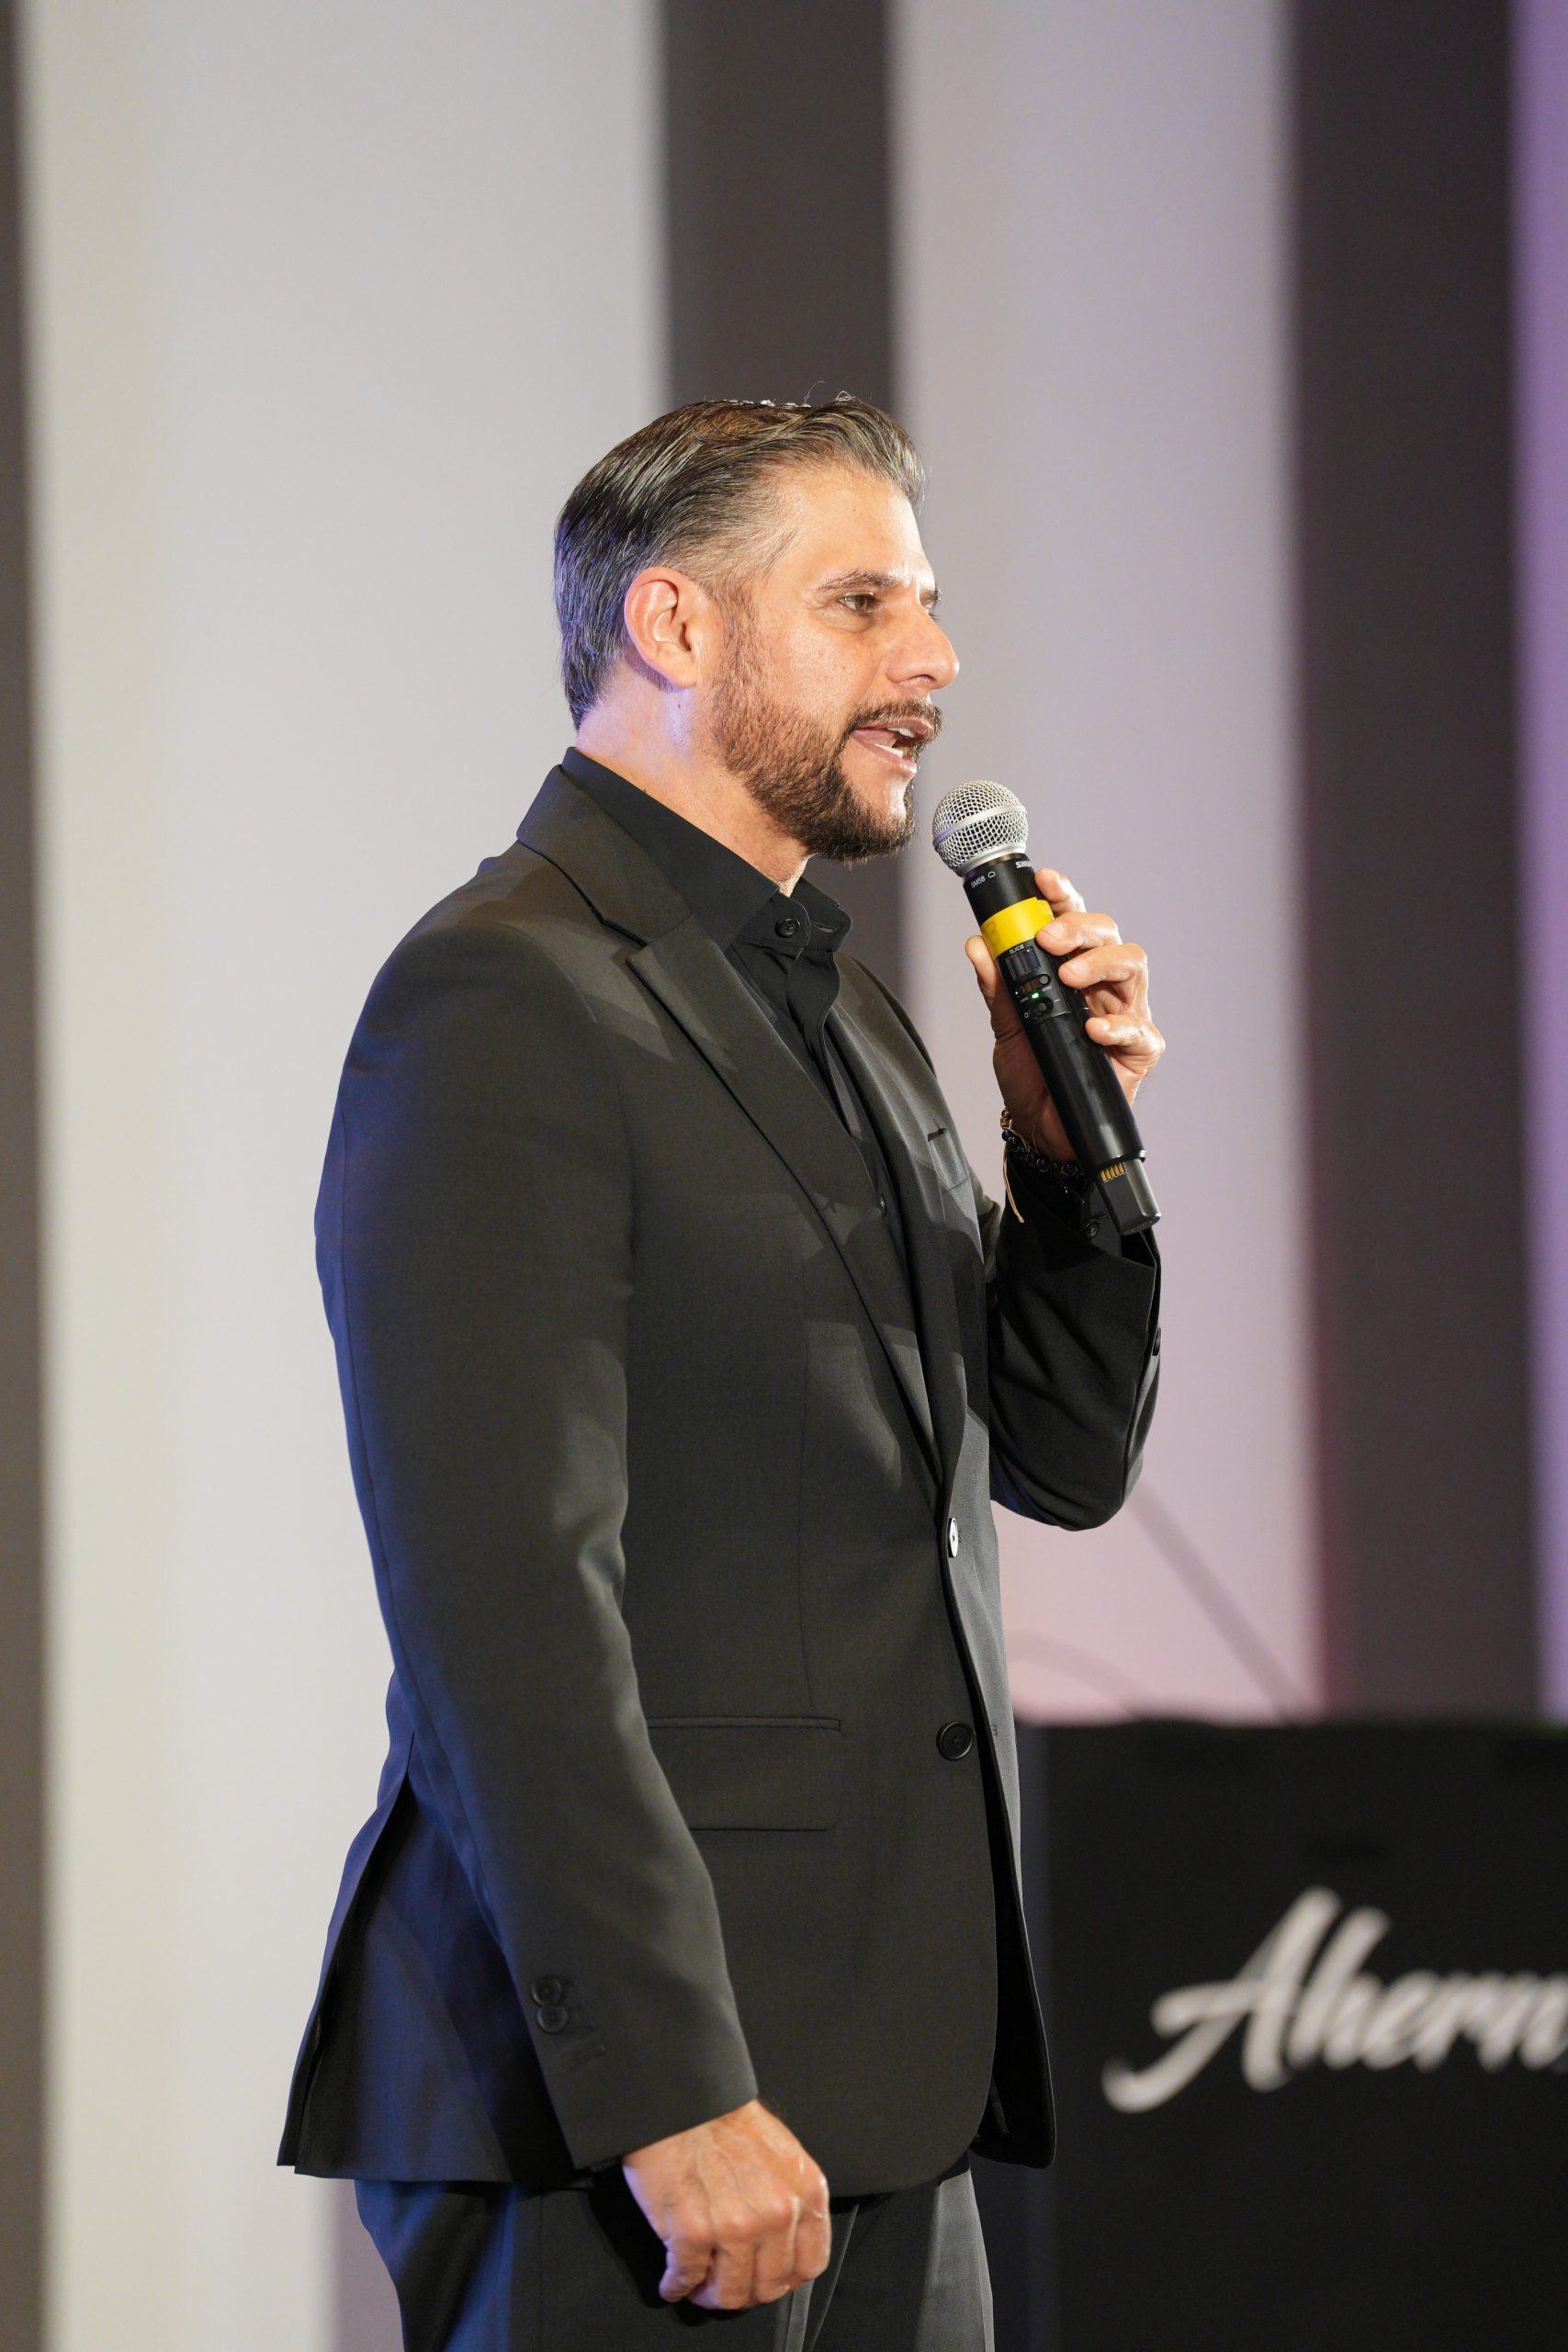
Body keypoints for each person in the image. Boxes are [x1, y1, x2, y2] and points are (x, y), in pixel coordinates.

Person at [278, 397, 1163, 2348]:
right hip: (638, 2109)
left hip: (878, 2084)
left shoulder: (842, 1003)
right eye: (862, 604)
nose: (933, 661)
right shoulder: (505, 991)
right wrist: (665, 2084)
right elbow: (501, 1595)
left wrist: (1061, 1166)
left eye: (927, 605)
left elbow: (1056, 1456)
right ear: (673, 625)